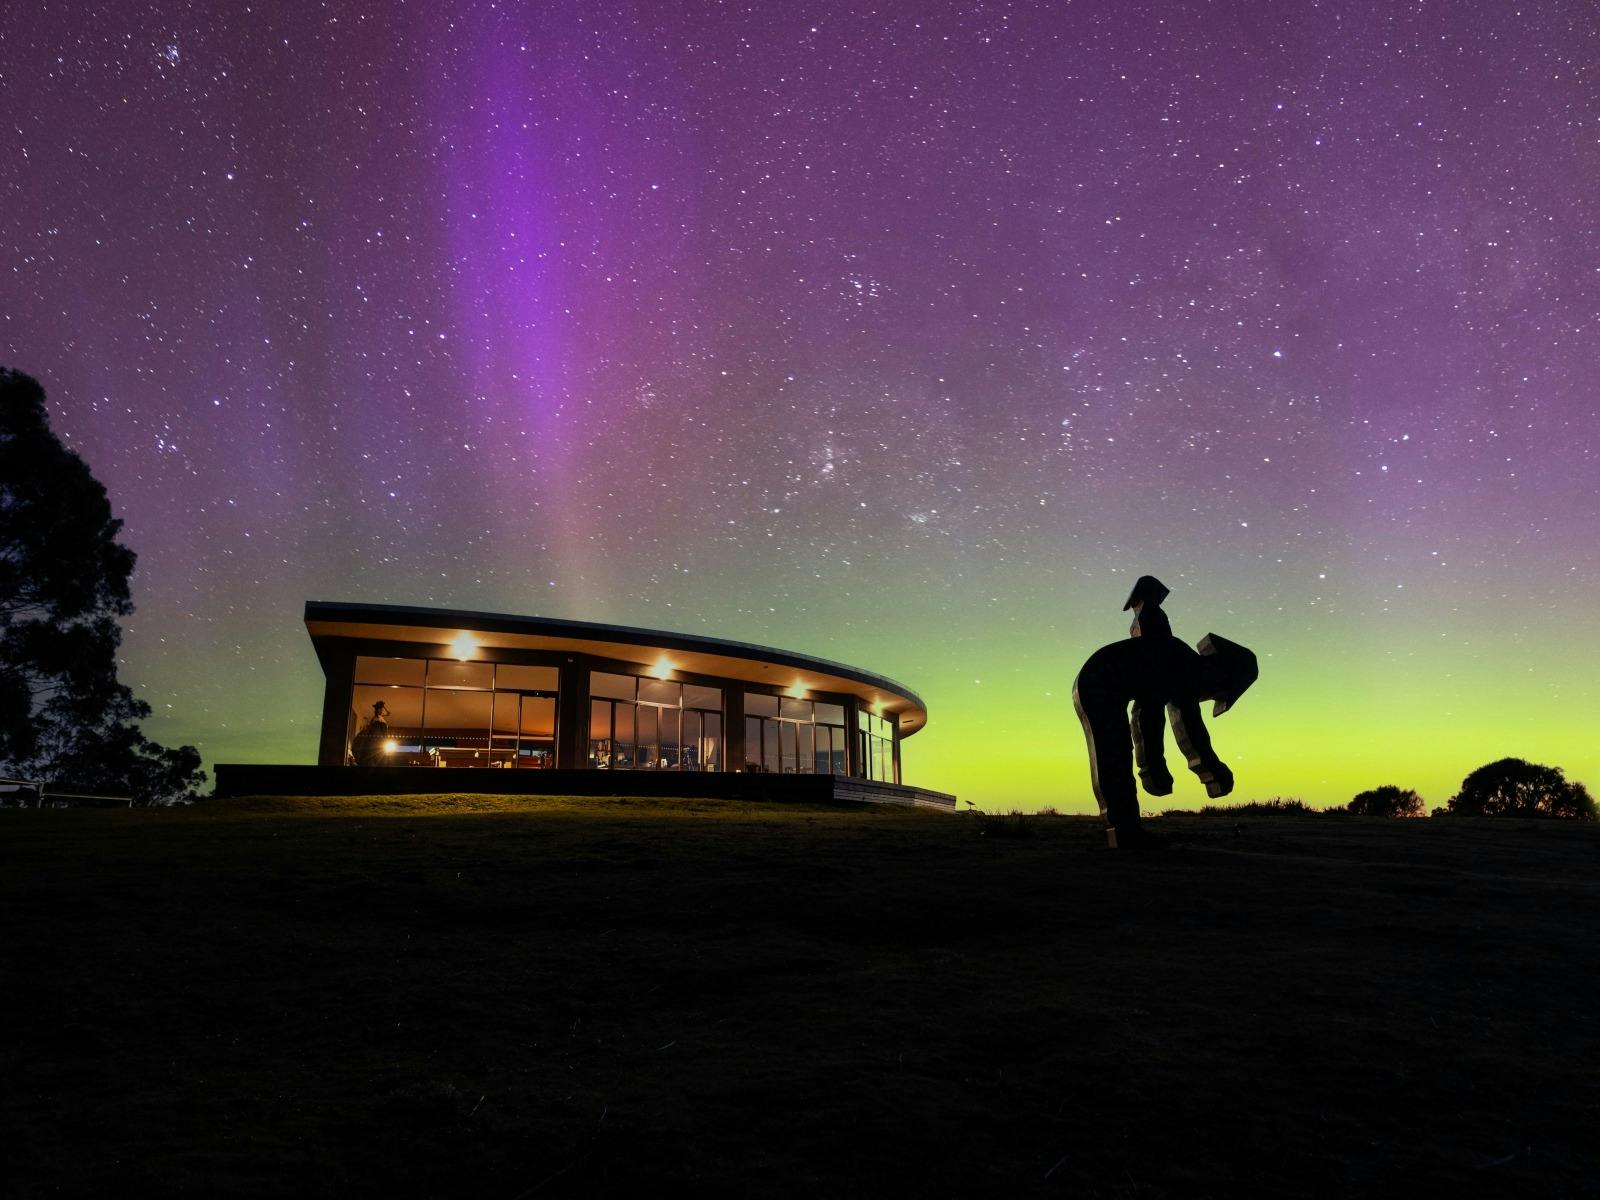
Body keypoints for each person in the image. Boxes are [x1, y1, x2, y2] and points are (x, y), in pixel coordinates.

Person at [1072, 629, 1257, 850]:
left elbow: (1157, 716)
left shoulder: (1178, 662)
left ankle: (1124, 830)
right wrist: (1209, 770)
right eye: (1214, 693)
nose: (1207, 697)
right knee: (1114, 755)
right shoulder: (1183, 667)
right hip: (1100, 682)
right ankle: (1125, 832)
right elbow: (1183, 725)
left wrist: (1157, 767)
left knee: (1115, 754)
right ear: (1219, 674)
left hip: (1096, 679)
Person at [353, 700, 391, 766]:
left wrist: (383, 706)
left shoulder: (379, 717)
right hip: (376, 741)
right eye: (381, 709)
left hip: (377, 741)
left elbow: (388, 713)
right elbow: (377, 731)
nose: (382, 710)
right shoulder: (377, 719)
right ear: (378, 710)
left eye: (382, 709)